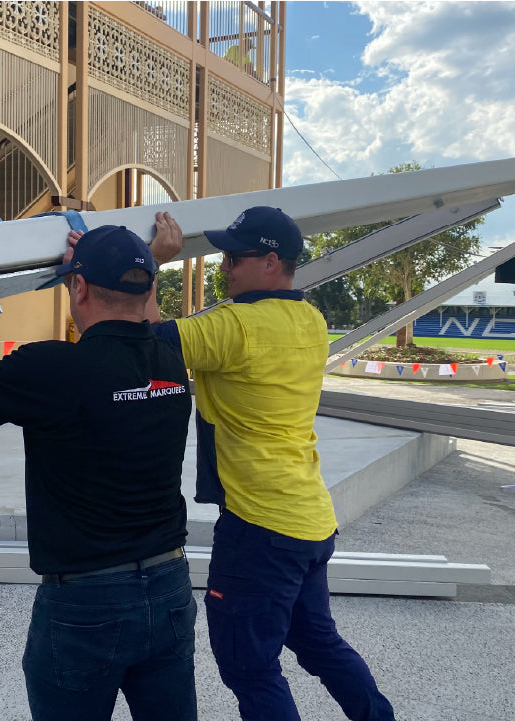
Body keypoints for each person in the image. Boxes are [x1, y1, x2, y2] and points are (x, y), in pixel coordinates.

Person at [0, 225, 197, 720]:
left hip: (88, 603)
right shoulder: (171, 359)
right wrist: (136, 261)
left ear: (79, 288)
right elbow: (143, 317)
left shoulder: (51, 370)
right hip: (170, 585)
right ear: (149, 289)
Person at [152, 207, 394, 720]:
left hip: (259, 528)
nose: (224, 265)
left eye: (235, 257)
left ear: (270, 261)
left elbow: (147, 342)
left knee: (249, 665)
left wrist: (152, 266)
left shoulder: (234, 325)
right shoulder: (310, 319)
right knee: (320, 644)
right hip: (309, 519)